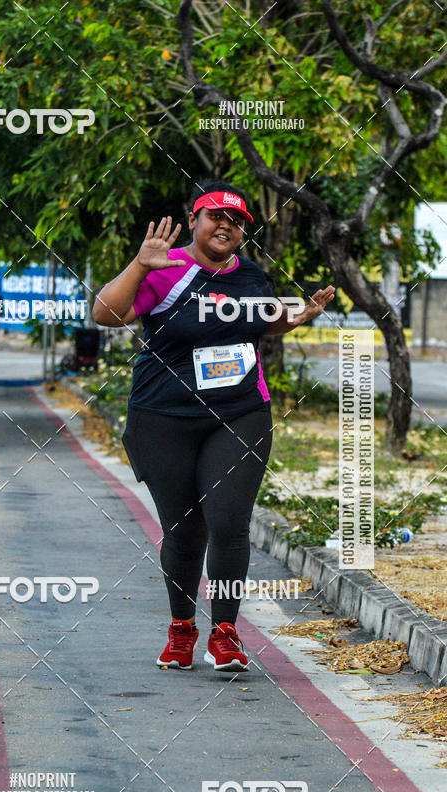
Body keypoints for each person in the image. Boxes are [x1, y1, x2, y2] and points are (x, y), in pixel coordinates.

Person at [94, 179, 334, 673]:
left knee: (228, 522)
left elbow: (259, 321)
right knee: (184, 531)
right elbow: (105, 314)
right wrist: (140, 264)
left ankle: (225, 632)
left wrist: (296, 316)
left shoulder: (251, 276)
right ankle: (182, 628)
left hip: (240, 413)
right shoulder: (165, 269)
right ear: (195, 220)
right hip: (164, 418)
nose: (226, 225)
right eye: (216, 216)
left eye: (237, 220)